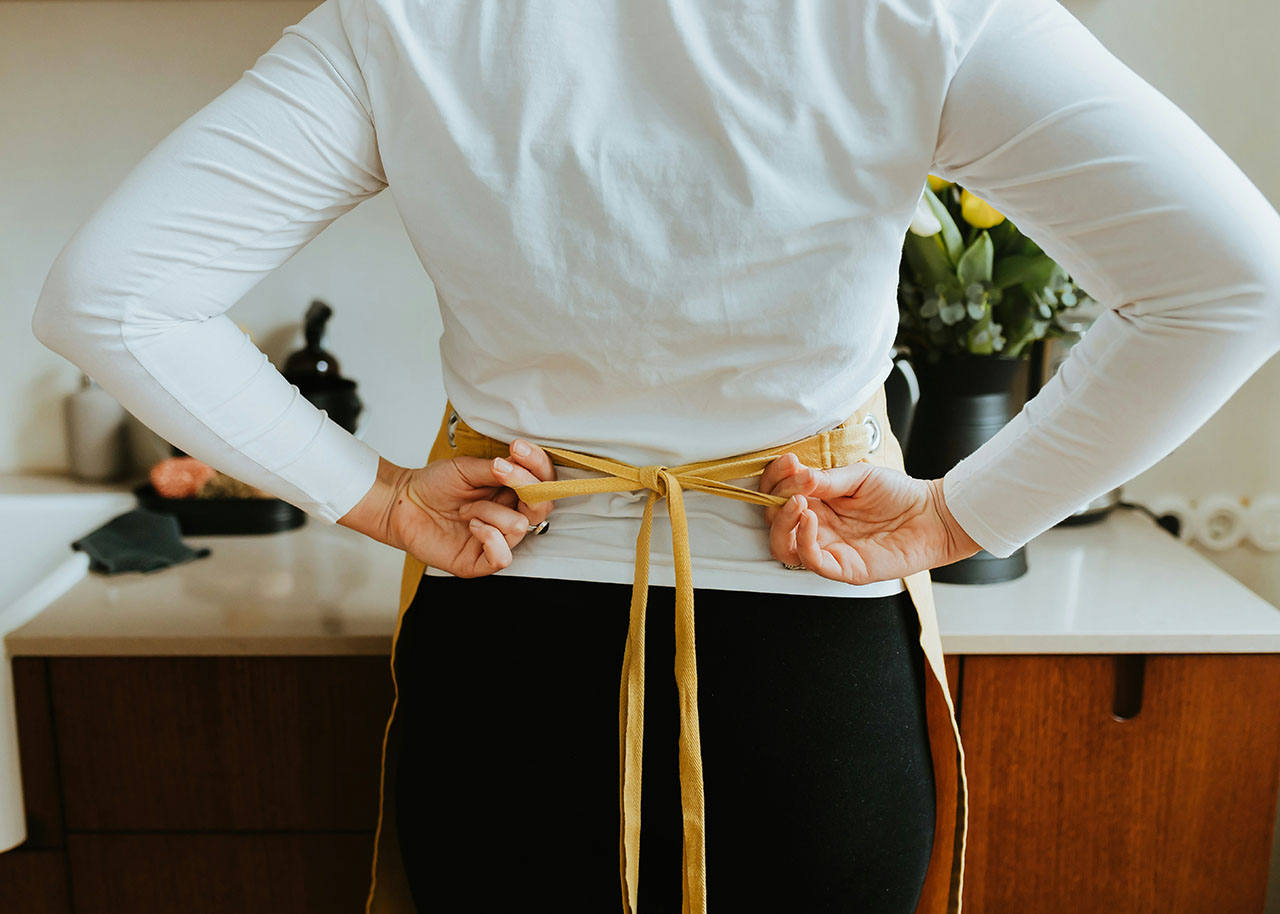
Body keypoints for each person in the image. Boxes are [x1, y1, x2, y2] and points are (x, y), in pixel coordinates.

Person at [30, 0, 1280, 911]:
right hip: (811, 664)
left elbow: (112, 299)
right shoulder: (928, 14)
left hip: (503, 651)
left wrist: (377, 495)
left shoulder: (404, 19)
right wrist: (958, 516)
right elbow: (1233, 285)